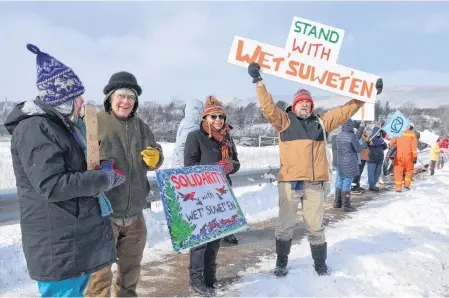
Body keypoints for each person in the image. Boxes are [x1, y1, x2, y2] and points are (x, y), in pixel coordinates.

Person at [4, 44, 124, 297]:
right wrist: (102, 179)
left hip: (71, 238)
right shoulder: (35, 128)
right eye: (76, 97)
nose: (81, 103)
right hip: (57, 243)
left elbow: (70, 169)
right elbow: (53, 184)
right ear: (60, 99)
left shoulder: (59, 126)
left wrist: (99, 168)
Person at [247, 62, 383, 277]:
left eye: (308, 103)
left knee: (315, 226)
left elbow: (344, 112)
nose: (305, 106)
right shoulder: (283, 121)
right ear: (295, 105)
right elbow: (268, 107)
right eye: (301, 103)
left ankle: (320, 263)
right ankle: (281, 262)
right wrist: (258, 81)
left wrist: (366, 95)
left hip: (314, 184)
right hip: (290, 183)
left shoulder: (321, 122)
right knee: (285, 226)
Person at [84, 72, 164, 297]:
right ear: (110, 97)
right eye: (121, 96)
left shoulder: (142, 126)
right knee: (99, 275)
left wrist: (156, 157)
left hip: (135, 213)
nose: (126, 101)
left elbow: (155, 151)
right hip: (103, 212)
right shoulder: (93, 123)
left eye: (131, 97)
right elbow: (76, 157)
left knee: (131, 271)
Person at [184, 96, 240, 296]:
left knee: (216, 237)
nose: (218, 120)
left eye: (221, 116)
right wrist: (212, 169)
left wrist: (230, 166)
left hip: (221, 194)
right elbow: (189, 166)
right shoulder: (195, 136)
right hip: (201, 194)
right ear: (205, 117)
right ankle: (196, 279)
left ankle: (210, 277)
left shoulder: (227, 138)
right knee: (201, 239)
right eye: (214, 116)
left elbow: (237, 163)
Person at [334, 120, 369, 212]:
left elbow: (353, 139)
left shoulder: (339, 136)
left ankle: (337, 202)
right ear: (350, 126)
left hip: (340, 162)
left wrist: (361, 129)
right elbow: (357, 149)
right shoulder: (351, 136)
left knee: (339, 181)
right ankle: (346, 205)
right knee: (347, 183)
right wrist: (366, 144)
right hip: (349, 163)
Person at [172, 98, 204, 168]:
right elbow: (181, 146)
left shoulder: (186, 122)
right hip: (183, 166)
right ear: (197, 110)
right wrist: (188, 165)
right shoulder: (192, 125)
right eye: (202, 110)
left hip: (178, 163)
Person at [390, 125, 417, 192]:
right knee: (409, 170)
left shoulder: (399, 133)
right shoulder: (412, 135)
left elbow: (392, 143)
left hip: (399, 156)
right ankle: (406, 186)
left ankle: (398, 188)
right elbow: (414, 147)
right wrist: (415, 156)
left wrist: (391, 152)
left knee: (398, 171)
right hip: (409, 156)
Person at [366, 127, 388, 191]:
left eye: (379, 132)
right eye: (377, 132)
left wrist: (383, 143)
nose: (378, 133)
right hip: (372, 158)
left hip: (379, 159)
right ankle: (371, 185)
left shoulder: (381, 140)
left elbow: (385, 146)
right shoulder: (371, 138)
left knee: (377, 173)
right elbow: (374, 143)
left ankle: (374, 185)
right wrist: (381, 141)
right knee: (371, 173)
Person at [352, 122, 370, 193]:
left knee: (360, 172)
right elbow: (359, 145)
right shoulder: (358, 135)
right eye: (364, 128)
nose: (365, 129)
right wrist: (366, 143)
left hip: (364, 156)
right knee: (357, 172)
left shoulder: (364, 135)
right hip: (360, 156)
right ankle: (354, 186)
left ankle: (357, 185)